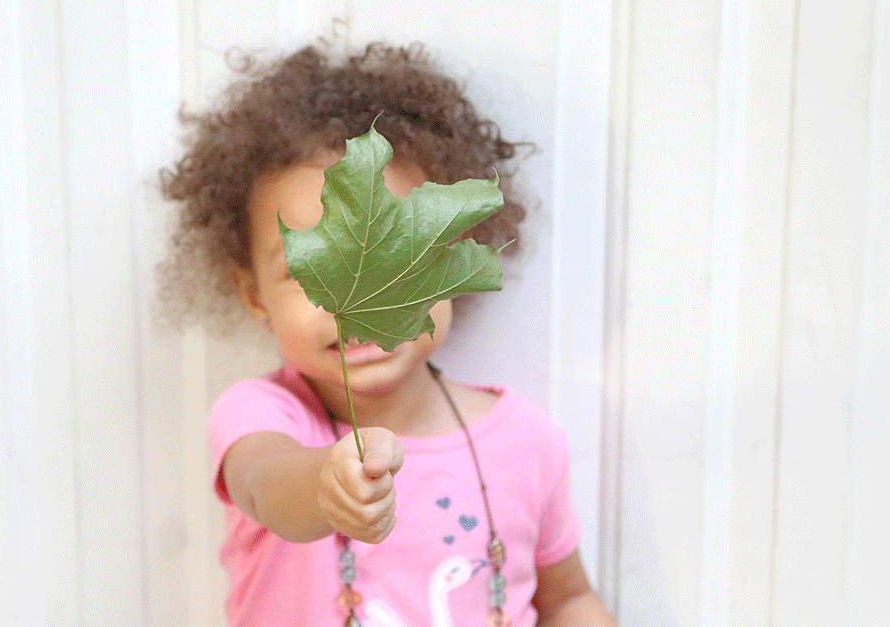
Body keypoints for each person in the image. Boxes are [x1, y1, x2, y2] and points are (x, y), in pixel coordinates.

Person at [159, 40, 616, 627]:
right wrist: (324, 485)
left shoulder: (527, 441)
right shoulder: (265, 416)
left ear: (452, 260)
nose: (354, 299)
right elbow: (264, 484)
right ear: (254, 295)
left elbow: (568, 599)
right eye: (310, 270)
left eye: (397, 258)